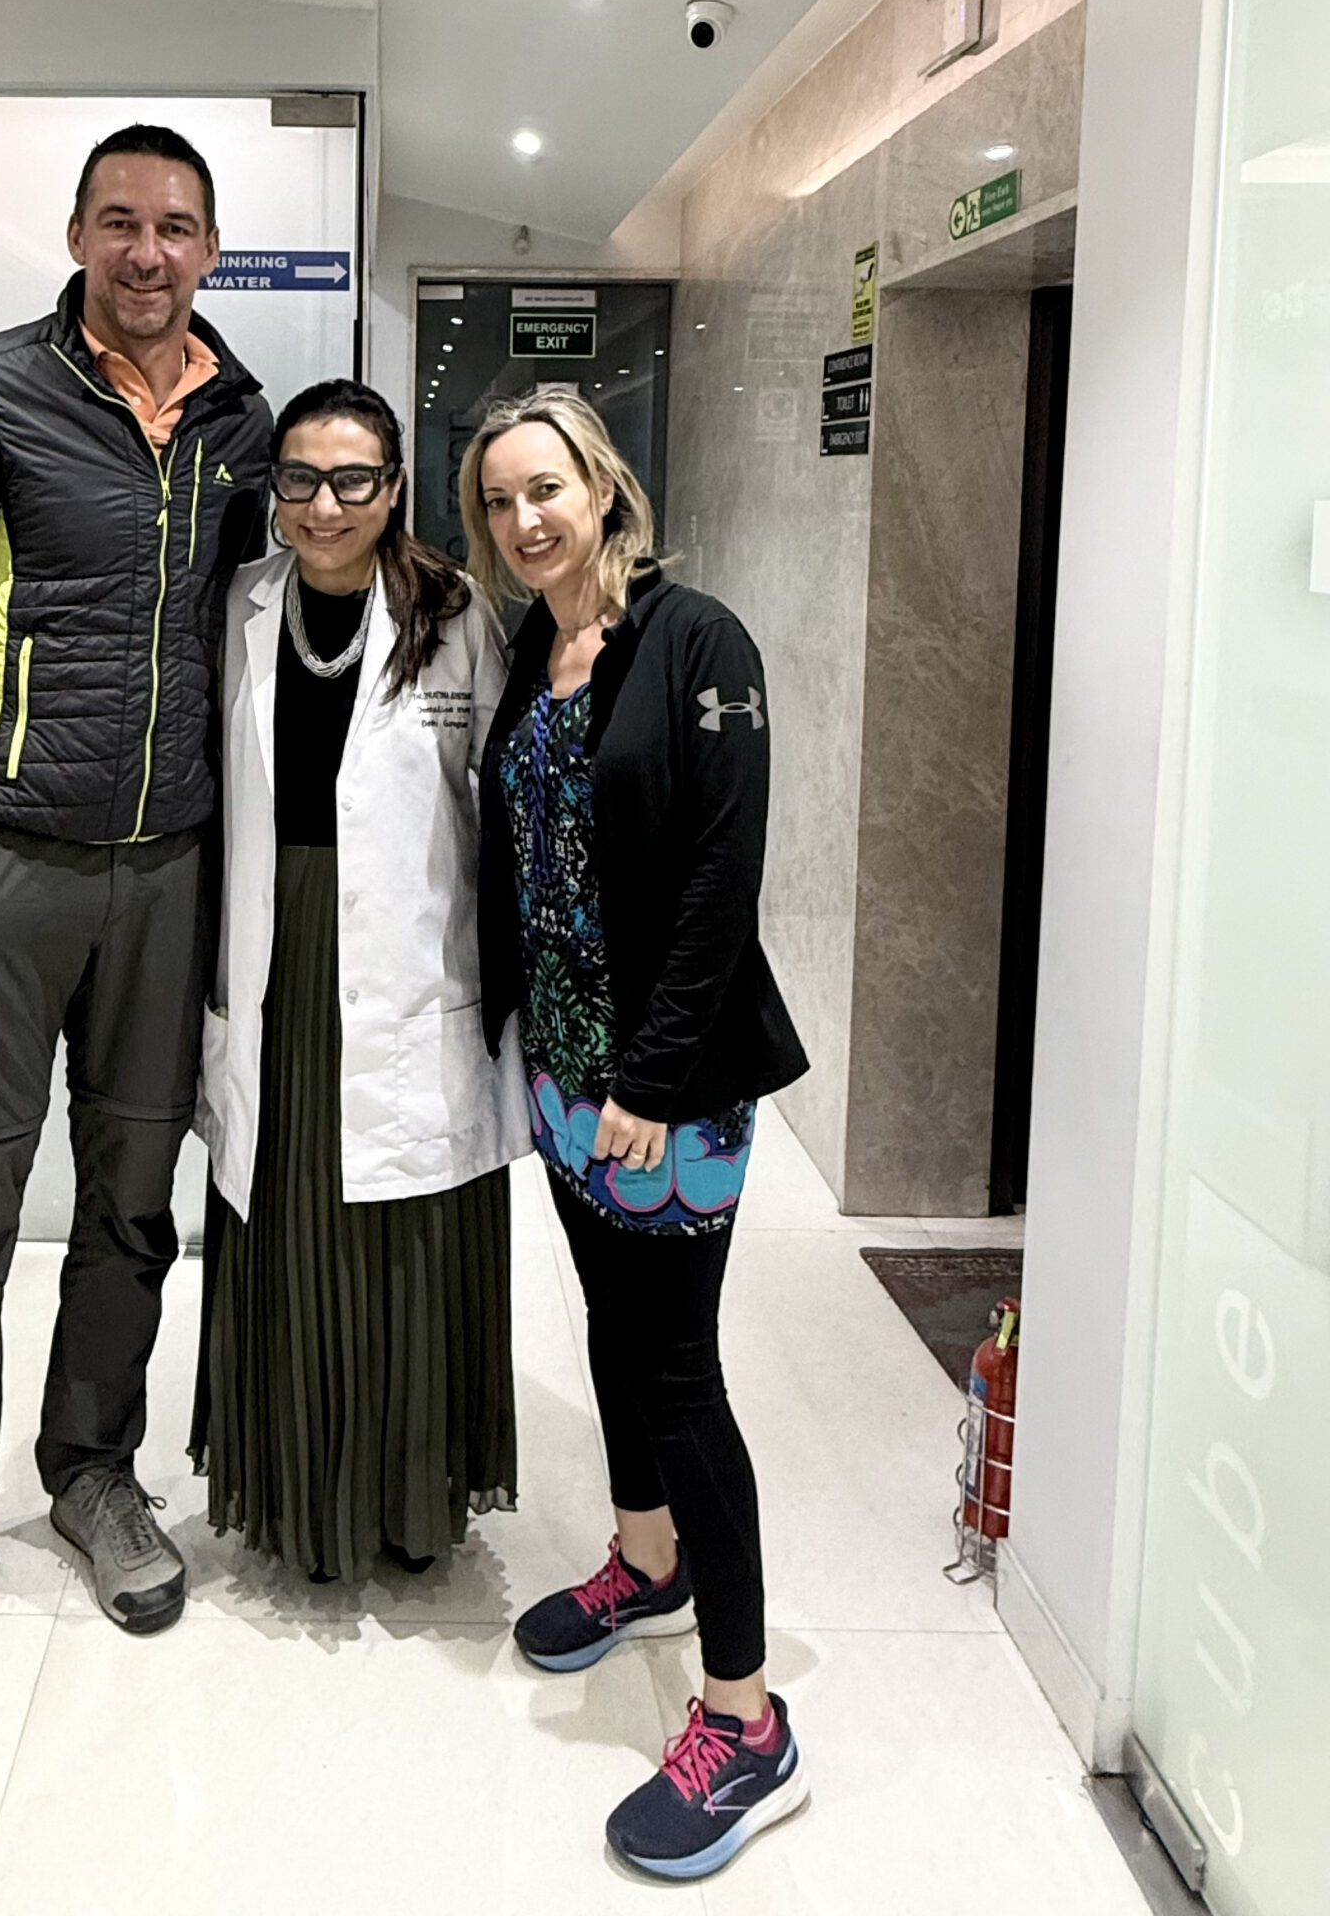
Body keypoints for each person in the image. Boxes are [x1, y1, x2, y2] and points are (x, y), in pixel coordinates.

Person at [0, 122, 270, 1693]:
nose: (147, 252)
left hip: (169, 873)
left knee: (131, 1202)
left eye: (175, 226)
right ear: (80, 234)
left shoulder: (243, 421)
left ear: (210, 248)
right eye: (120, 221)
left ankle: (93, 1472)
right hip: (6, 865)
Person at [464, 386, 811, 1883]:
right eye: (497, 501)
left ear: (603, 486)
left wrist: (655, 1083)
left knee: (677, 1372)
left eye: (545, 488)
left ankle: (746, 1719)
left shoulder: (697, 641)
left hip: (669, 1088)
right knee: (613, 1333)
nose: (523, 519)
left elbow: (726, 872)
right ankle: (648, 1560)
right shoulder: (530, 651)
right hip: (564, 1072)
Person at [190, 380, 527, 1581]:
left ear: (393, 488)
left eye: (352, 480)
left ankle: (405, 1498)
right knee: (289, 1227)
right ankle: (299, 1500)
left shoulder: (456, 614)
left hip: (410, 961)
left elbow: (503, 797)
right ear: (274, 486)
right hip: (279, 960)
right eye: (299, 478)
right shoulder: (238, 604)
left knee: (405, 1240)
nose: (323, 504)